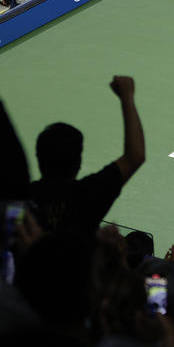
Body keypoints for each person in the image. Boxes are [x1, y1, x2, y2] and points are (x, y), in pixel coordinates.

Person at [29, 76, 145, 236]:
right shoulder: (86, 196)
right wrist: (127, 97)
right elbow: (135, 157)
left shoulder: (22, 198)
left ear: (38, 158)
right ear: (79, 163)